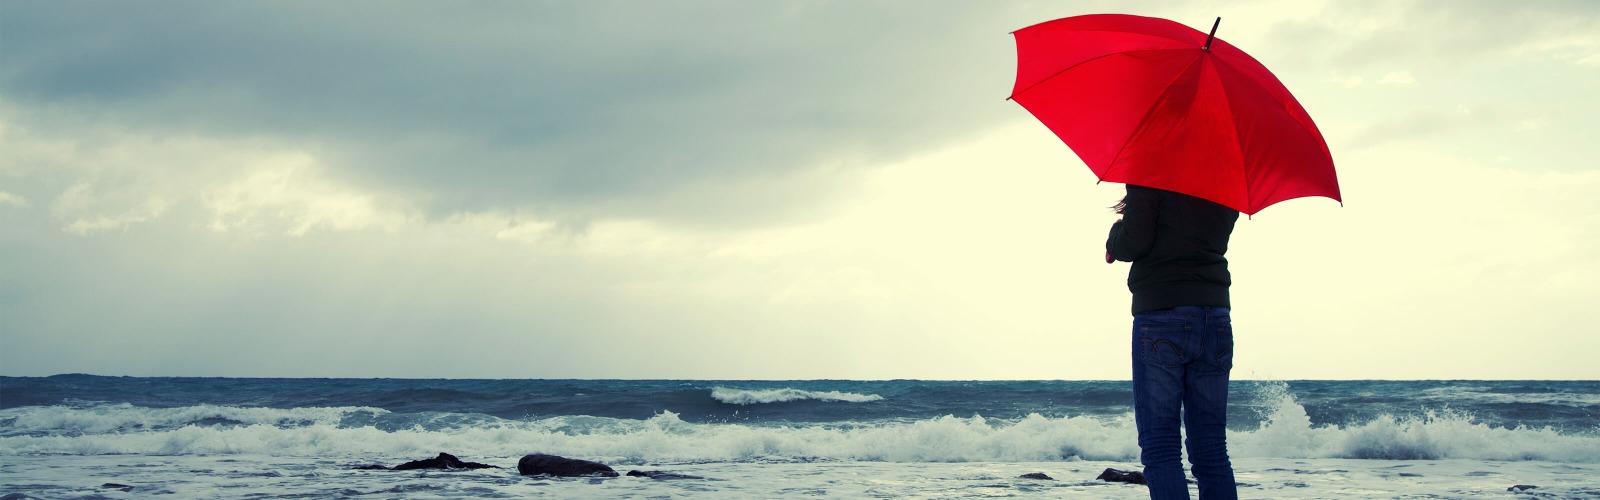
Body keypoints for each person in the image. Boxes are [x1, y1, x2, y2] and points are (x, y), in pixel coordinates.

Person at [1106, 184, 1240, 500]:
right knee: (1211, 448)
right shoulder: (1226, 174)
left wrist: (1115, 235)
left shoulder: (1150, 171)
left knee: (1161, 446)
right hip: (1215, 315)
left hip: (1162, 313)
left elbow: (1133, 243)